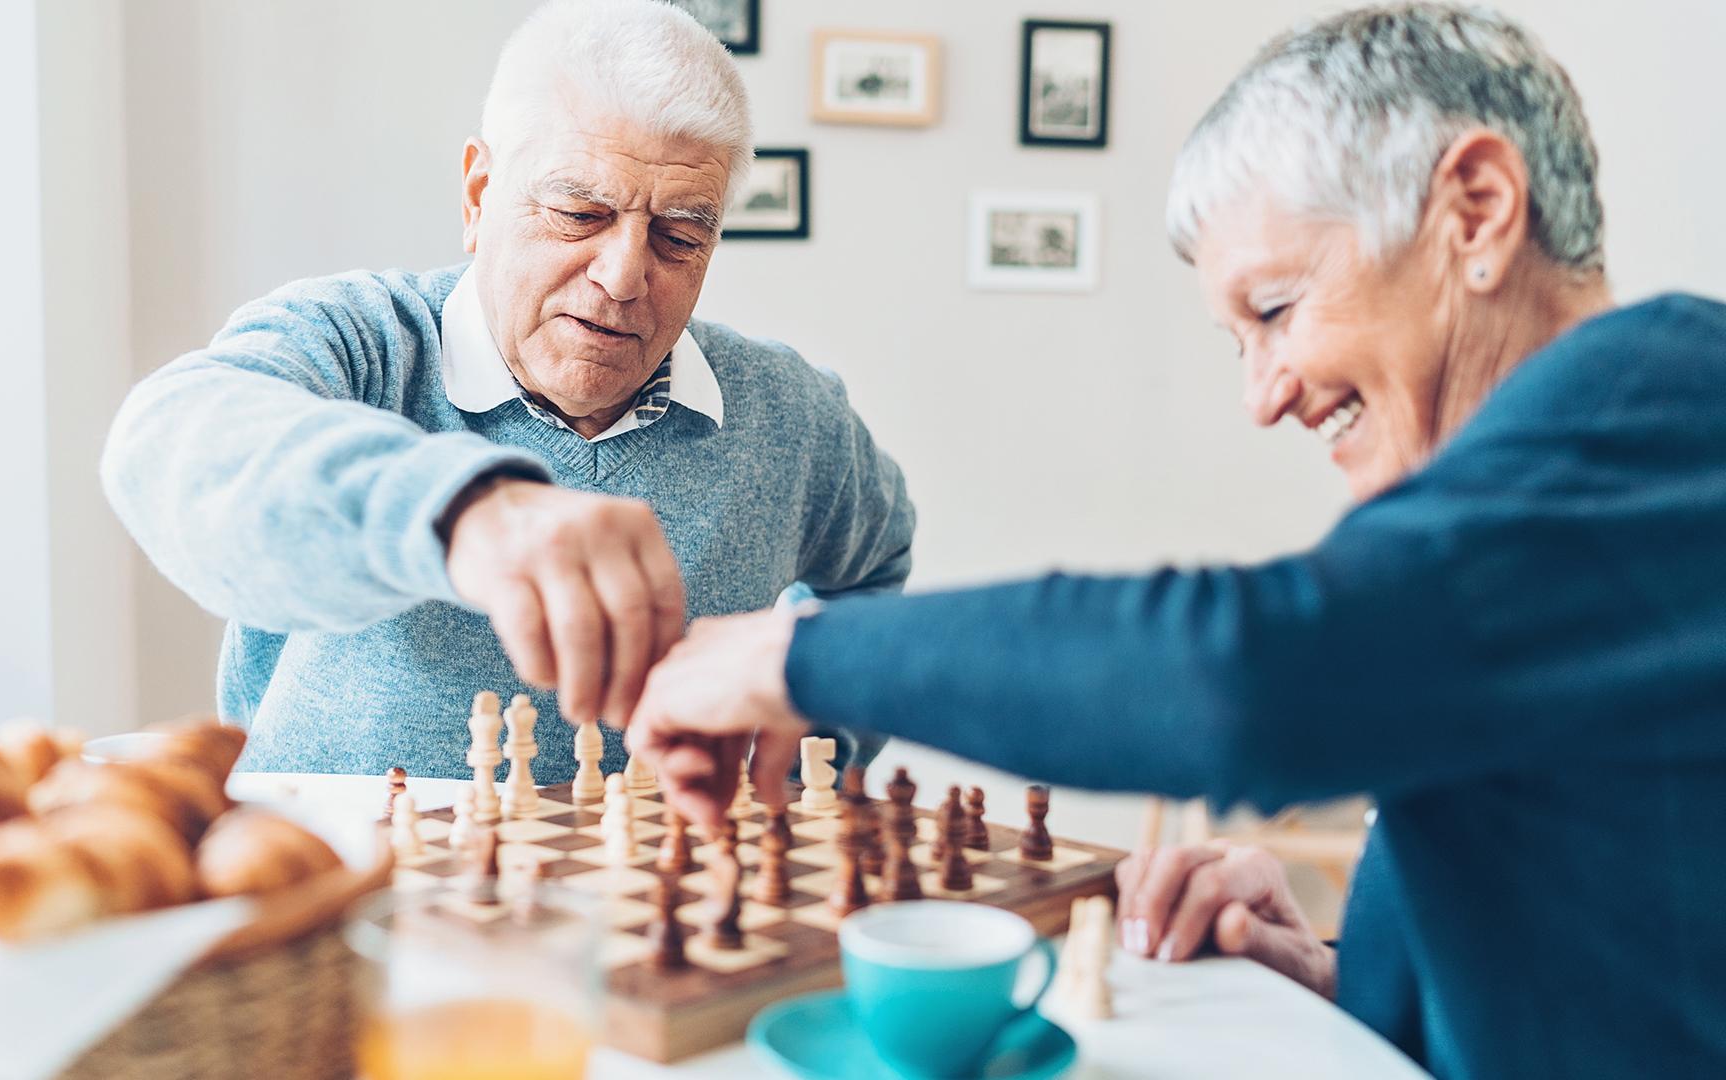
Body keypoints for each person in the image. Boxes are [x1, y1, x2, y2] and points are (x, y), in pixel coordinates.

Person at [625, 6, 1726, 1078]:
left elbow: (1245, 670)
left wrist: (784, 658)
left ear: (1476, 211)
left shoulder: (1657, 424)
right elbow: (1624, 941)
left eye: (1279, 309)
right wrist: (1348, 976)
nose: (1265, 396)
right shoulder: (1589, 462)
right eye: (1237, 339)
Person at [100, 0, 913, 779]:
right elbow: (167, 441)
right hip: (363, 893)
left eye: (679, 235)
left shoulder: (792, 415)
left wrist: (812, 713)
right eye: (578, 213)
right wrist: (466, 511)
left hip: (660, 906)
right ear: (478, 194)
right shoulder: (359, 343)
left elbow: (875, 571)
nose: (625, 275)